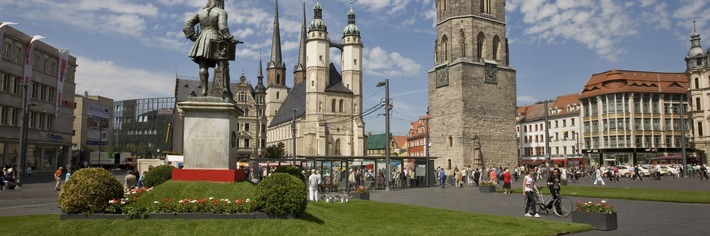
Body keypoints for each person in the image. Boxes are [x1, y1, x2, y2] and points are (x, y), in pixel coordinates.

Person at [183, 0, 239, 97]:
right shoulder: (221, 12)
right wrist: (231, 38)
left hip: (202, 39)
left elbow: (187, 24)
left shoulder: (201, 12)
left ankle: (204, 90)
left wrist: (193, 37)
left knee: (203, 65)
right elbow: (223, 28)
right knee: (223, 65)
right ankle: (225, 90)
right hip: (216, 39)